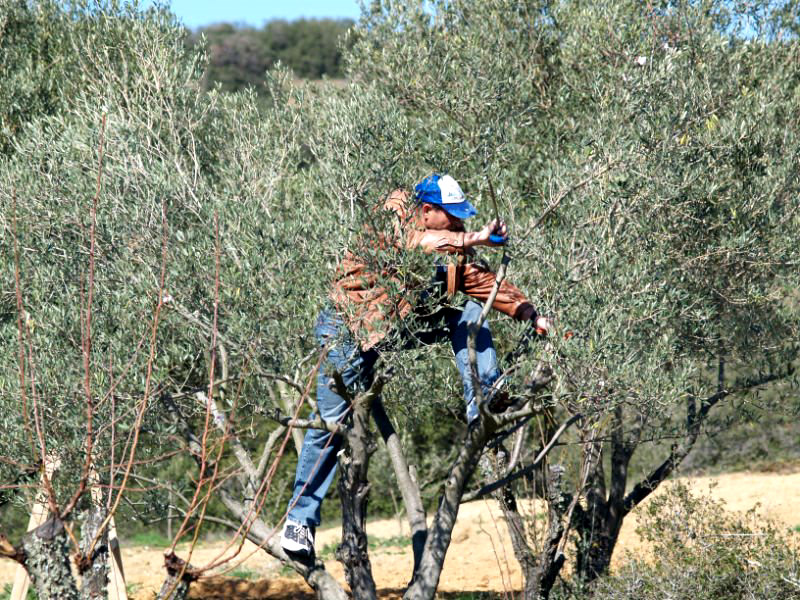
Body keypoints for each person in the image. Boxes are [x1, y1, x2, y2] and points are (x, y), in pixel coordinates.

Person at [280, 173, 551, 555]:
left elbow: (489, 287)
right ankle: (298, 521)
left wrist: (532, 314)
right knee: (331, 424)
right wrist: (471, 238)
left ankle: (483, 402)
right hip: (346, 328)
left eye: (462, 219)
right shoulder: (395, 210)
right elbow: (413, 243)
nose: (460, 224)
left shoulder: (453, 246)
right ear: (427, 210)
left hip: (395, 330)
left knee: (472, 308)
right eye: (452, 217)